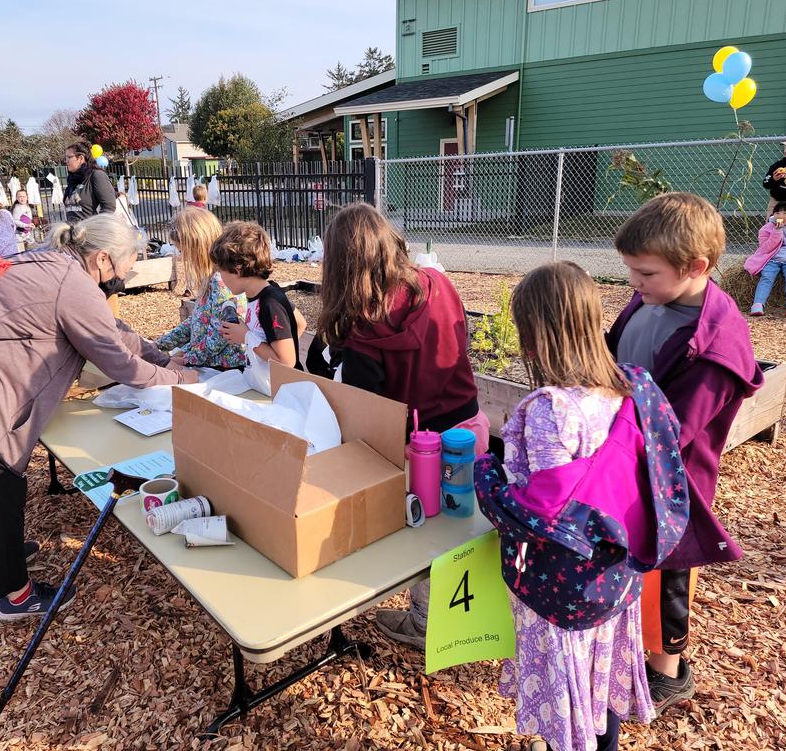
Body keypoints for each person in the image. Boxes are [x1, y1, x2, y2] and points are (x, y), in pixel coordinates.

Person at [0, 213, 198, 622]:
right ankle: (14, 595)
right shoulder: (71, 285)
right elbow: (120, 364)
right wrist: (178, 378)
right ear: (105, 260)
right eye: (127, 267)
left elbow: (115, 331)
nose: (125, 277)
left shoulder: (51, 261)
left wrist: (162, 358)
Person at [475, 261, 690, 751]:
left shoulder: (553, 410)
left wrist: (485, 473)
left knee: (569, 701)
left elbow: (540, 515)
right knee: (599, 687)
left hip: (562, 588)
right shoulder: (632, 386)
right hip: (618, 576)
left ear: (532, 339)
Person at [607, 192, 763, 715]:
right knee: (633, 564)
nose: (634, 284)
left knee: (669, 569)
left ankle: (667, 670)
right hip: (626, 455)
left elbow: (672, 431)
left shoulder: (716, 347)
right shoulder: (653, 298)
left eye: (644, 274)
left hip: (671, 480)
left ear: (695, 267)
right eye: (630, 271)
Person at [313, 203, 487, 650]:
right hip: (469, 423)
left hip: (421, 446)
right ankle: (470, 615)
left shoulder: (362, 325)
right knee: (461, 526)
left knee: (423, 536)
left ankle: (426, 622)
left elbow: (366, 408)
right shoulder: (439, 284)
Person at [154, 207, 247, 369]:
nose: (182, 256)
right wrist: (160, 344)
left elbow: (219, 337)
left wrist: (185, 358)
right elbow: (198, 320)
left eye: (183, 250)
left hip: (223, 368)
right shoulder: (211, 276)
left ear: (197, 247)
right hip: (208, 360)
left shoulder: (221, 281)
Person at [212, 221, 306, 370]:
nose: (220, 278)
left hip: (279, 389)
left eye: (221, 271)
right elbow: (300, 322)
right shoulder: (264, 294)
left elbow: (287, 362)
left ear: (237, 270)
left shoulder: (269, 303)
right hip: (264, 383)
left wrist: (247, 338)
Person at [743, 201, 786, 316]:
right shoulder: (766, 228)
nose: (781, 216)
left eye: (785, 213)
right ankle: (758, 304)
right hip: (772, 258)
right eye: (777, 213)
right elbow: (765, 248)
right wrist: (777, 232)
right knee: (766, 277)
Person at [63, 141, 116, 223]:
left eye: (69, 157)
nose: (66, 161)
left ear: (80, 158)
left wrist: (95, 227)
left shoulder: (97, 175)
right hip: (72, 233)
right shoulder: (72, 180)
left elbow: (109, 206)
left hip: (89, 233)